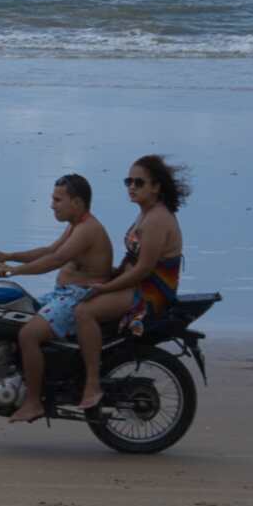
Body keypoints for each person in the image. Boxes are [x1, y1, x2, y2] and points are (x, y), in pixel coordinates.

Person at [0, 174, 114, 423]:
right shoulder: (76, 225)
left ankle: (33, 402)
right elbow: (49, 251)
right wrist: (8, 256)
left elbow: (55, 261)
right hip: (64, 294)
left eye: (58, 199)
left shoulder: (88, 230)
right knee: (15, 312)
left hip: (78, 296)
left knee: (28, 334)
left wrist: (14, 271)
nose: (52, 205)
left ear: (76, 203)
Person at [71, 155, 190, 412]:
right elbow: (133, 261)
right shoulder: (145, 214)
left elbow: (143, 269)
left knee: (84, 311)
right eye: (128, 181)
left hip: (149, 292)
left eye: (139, 182)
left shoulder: (157, 219)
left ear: (156, 187)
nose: (132, 187)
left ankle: (92, 383)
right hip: (135, 284)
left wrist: (106, 288)